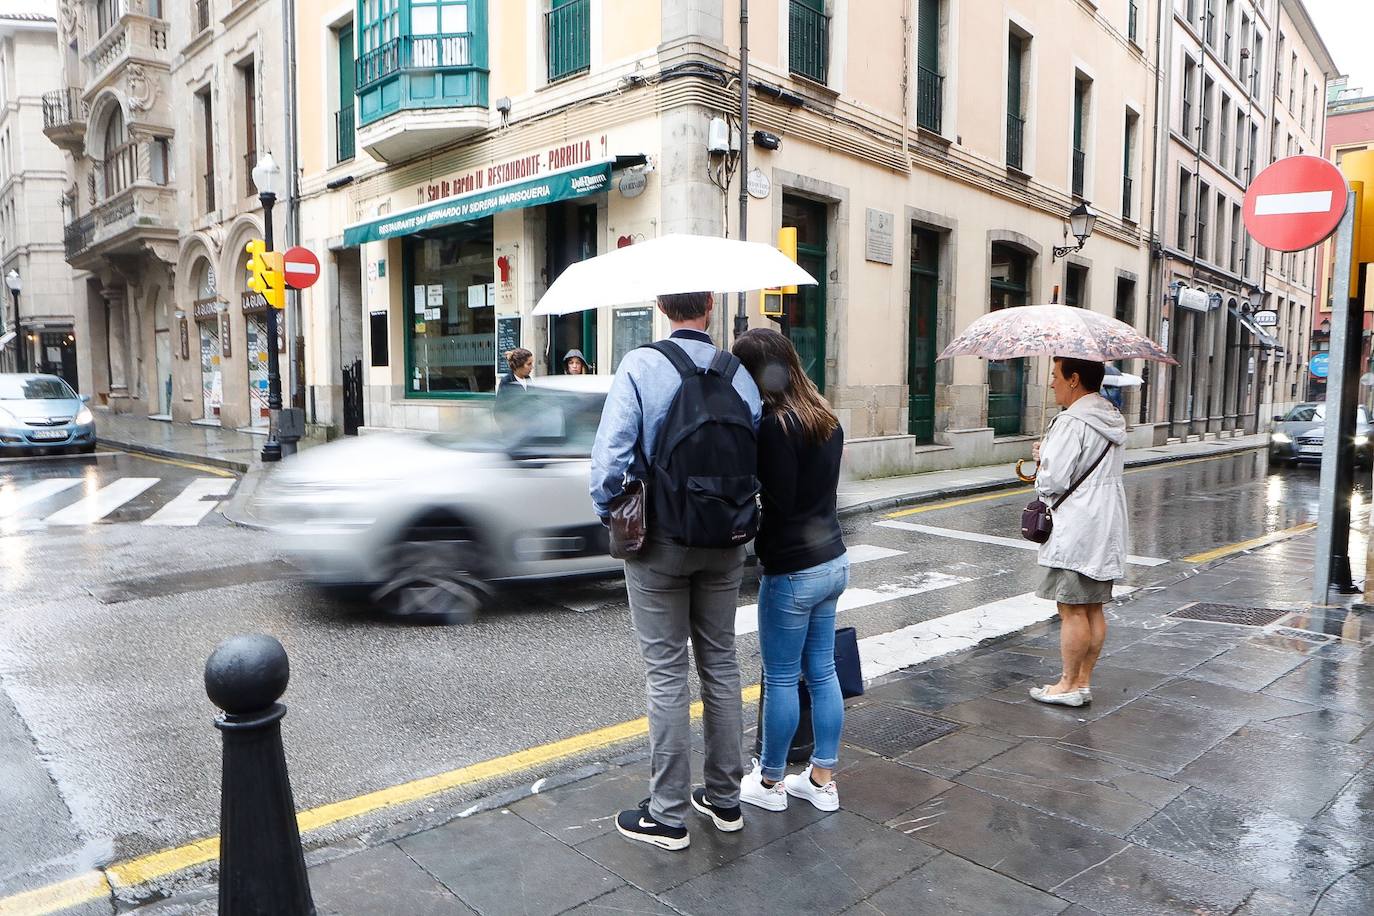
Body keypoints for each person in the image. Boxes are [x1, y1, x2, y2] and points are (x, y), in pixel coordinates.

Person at [590, 292, 762, 851]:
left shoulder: (641, 365)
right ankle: (725, 799)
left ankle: (666, 816)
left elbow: (611, 459)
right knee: (721, 663)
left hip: (661, 540)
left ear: (664, 307)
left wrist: (612, 516)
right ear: (709, 308)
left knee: (666, 673)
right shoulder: (739, 373)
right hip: (728, 538)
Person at [730, 328, 848, 813]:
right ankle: (822, 779)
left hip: (793, 570)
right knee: (822, 672)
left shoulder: (774, 425)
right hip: (832, 559)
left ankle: (771, 781)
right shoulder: (825, 416)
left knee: (780, 677)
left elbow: (781, 502)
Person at [1028, 356, 1128, 708]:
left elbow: (1053, 482)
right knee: (1093, 608)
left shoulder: (1071, 422)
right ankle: (1083, 682)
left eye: (1055, 376)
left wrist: (1042, 463)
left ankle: (1068, 685)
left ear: (1074, 379)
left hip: (1078, 525)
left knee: (1071, 608)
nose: (1051, 383)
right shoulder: (1110, 416)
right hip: (1105, 522)